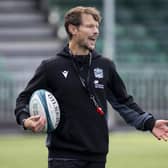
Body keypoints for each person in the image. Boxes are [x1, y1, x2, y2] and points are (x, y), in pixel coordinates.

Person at [14, 6, 168, 168]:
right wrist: (25, 121)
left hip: (97, 156)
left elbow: (124, 102)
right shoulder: (51, 67)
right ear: (73, 29)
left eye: (97, 26)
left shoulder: (105, 65)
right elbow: (23, 99)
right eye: (90, 26)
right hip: (63, 156)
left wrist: (150, 123)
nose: (96, 31)